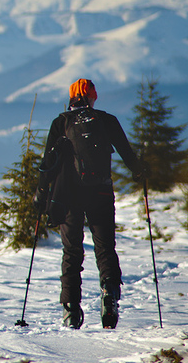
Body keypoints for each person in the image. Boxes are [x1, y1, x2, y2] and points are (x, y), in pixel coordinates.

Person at [40, 78, 143, 329]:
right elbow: (129, 155)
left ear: (71, 96)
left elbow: (47, 165)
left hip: (69, 197)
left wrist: (42, 197)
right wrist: (141, 172)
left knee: (72, 251)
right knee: (105, 248)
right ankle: (109, 293)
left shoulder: (61, 123)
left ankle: (71, 311)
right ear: (93, 96)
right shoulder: (107, 120)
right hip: (101, 193)